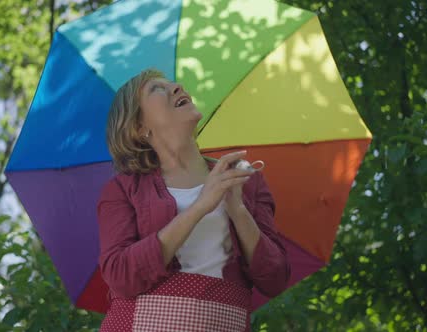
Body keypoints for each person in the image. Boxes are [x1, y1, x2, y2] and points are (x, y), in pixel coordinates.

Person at [97, 68, 291, 331]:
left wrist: (238, 210)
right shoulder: (122, 189)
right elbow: (120, 276)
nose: (177, 87)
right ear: (138, 127)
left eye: (173, 84)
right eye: (156, 88)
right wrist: (200, 206)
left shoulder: (245, 179)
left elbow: (276, 279)